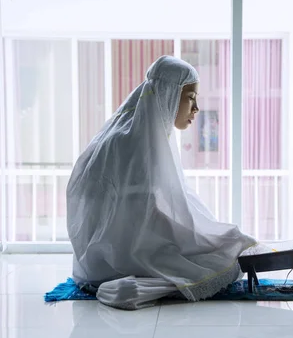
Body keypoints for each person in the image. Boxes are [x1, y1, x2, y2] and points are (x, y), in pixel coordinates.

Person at [67, 56, 260, 310]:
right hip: (116, 253)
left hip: (101, 256)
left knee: (221, 244)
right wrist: (205, 237)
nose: (196, 109)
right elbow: (143, 215)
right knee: (221, 254)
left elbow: (149, 209)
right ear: (170, 94)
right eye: (190, 97)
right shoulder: (133, 142)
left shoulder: (136, 133)